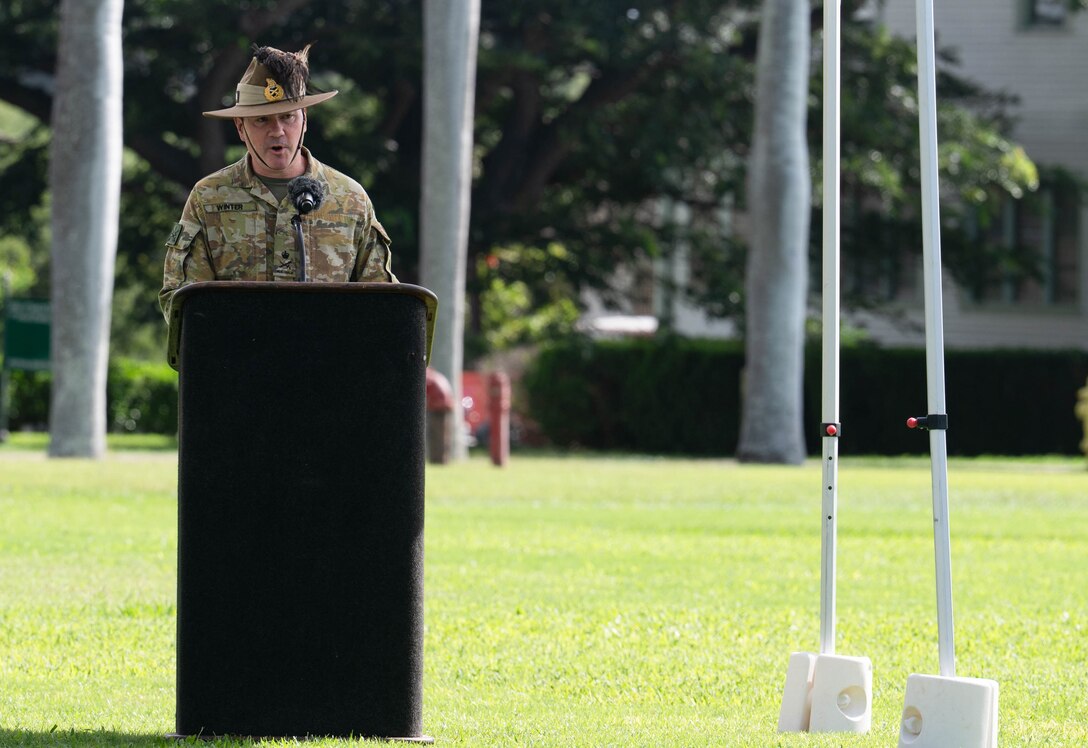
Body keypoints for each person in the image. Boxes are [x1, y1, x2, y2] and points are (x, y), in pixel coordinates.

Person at [159, 44, 397, 321]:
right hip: (237, 361)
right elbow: (182, 302)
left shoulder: (350, 198)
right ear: (240, 127)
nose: (278, 131)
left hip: (329, 362)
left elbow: (383, 304)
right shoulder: (209, 197)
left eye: (288, 117)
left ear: (304, 120)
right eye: (261, 120)